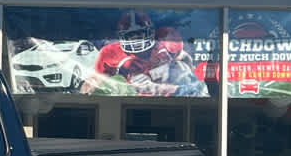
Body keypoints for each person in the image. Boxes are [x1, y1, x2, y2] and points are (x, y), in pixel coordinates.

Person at [80, 11, 208, 97]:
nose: (136, 39)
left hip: (168, 96)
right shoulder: (109, 53)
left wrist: (192, 81)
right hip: (134, 99)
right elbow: (93, 81)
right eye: (130, 35)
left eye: (140, 33)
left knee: (180, 70)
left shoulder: (166, 42)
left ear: (151, 32)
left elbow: (185, 59)